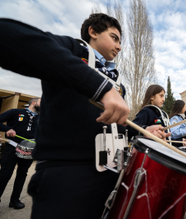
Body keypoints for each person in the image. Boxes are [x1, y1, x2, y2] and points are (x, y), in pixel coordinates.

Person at [0, 14, 167, 219]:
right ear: (93, 32)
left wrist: (139, 132)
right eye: (114, 37)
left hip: (111, 174)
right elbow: (7, 34)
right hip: (67, 178)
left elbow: (111, 126)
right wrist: (100, 88)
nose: (119, 46)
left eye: (120, 41)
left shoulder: (116, 81)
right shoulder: (72, 50)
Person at [0, 98, 40, 209]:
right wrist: (7, 129)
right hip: (12, 148)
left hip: (29, 151)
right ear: (33, 102)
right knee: (4, 174)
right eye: (42, 101)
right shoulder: (15, 112)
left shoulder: (41, 118)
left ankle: (14, 200)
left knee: (22, 174)